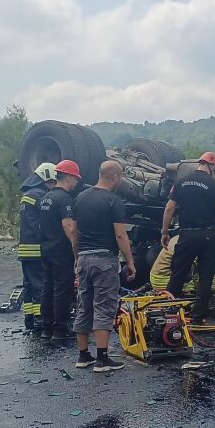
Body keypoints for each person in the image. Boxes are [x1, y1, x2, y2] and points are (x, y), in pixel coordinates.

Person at [72, 160, 137, 373]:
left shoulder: (80, 198)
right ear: (116, 177)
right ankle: (102, 359)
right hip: (104, 260)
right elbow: (120, 234)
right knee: (104, 305)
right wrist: (130, 261)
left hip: (83, 258)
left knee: (84, 304)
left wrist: (76, 258)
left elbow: (74, 232)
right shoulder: (114, 200)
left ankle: (83, 355)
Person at [161, 151, 215, 322]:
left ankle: (169, 314)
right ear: (213, 167)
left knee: (177, 274)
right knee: (206, 278)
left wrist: (164, 231)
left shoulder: (180, 182)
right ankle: (198, 316)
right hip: (208, 236)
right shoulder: (214, 186)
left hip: (187, 235)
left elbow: (169, 208)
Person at [39, 161, 80, 342]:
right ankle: (60, 330)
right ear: (69, 177)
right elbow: (68, 225)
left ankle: (46, 328)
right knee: (62, 290)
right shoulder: (64, 199)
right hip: (61, 251)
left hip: (46, 249)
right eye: (76, 179)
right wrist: (76, 250)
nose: (77, 183)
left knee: (47, 288)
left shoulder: (46, 197)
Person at [18, 163, 57, 332]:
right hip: (36, 249)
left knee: (29, 286)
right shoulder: (40, 195)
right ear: (46, 178)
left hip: (25, 249)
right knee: (40, 285)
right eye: (52, 182)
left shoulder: (28, 194)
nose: (54, 186)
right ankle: (41, 319)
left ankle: (30, 319)